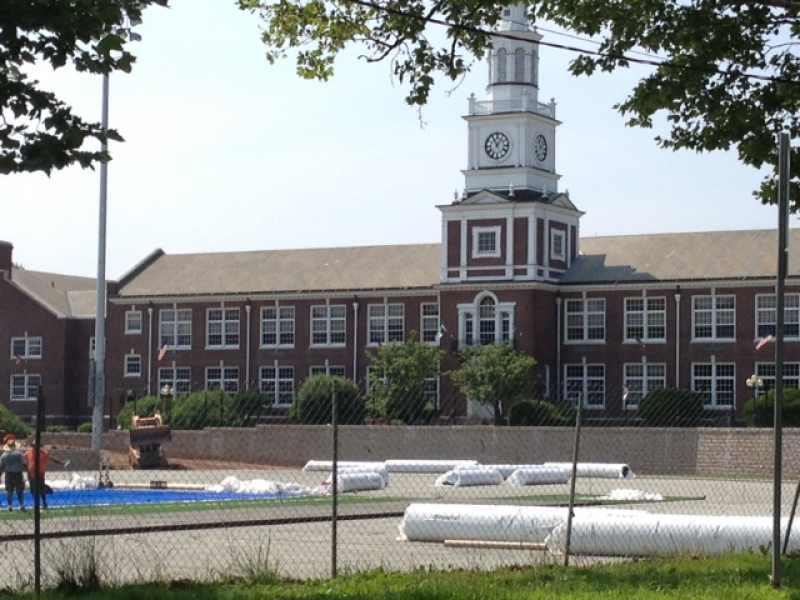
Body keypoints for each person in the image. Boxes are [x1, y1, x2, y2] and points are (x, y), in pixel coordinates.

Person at [25, 441, 69, 509]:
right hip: (31, 474)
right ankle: (37, 503)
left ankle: (44, 503)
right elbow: (23, 459)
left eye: (36, 446)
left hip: (40, 474)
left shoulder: (44, 453)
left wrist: (62, 463)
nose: (34, 447)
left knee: (41, 489)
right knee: (33, 490)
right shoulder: (28, 453)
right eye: (33, 446)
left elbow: (53, 459)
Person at [0, 434, 27, 512]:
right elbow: (24, 464)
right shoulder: (19, 454)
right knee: (20, 491)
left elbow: (1, 467)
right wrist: (27, 472)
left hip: (8, 474)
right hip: (18, 474)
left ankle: (10, 506)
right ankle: (22, 505)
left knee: (9, 491)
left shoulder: (4, 455)